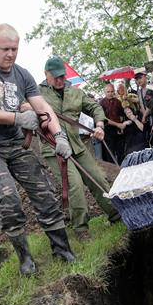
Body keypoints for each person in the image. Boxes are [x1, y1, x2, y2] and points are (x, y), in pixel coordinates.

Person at [0, 24, 75, 275]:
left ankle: (62, 250)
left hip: (15, 143)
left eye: (15, 49)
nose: (11, 54)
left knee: (44, 193)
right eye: (5, 49)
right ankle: (25, 259)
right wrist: (17, 118)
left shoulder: (22, 74)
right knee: (8, 200)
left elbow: (43, 106)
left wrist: (59, 136)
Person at [38, 56, 122, 241]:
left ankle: (117, 215)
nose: (60, 80)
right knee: (74, 185)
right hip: (54, 148)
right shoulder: (37, 93)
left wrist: (99, 125)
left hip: (77, 145)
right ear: (46, 74)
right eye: (56, 77)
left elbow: (94, 108)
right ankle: (81, 229)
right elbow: (25, 109)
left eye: (62, 76)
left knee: (98, 178)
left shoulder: (74, 92)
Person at [99, 83, 127, 163]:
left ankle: (123, 169)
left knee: (121, 152)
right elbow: (104, 119)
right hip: (108, 131)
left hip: (118, 131)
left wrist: (120, 125)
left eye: (112, 91)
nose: (110, 93)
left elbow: (121, 115)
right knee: (110, 153)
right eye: (108, 92)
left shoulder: (118, 102)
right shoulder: (101, 103)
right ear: (104, 92)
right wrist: (118, 124)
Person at [117, 83, 147, 155]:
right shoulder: (117, 100)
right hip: (127, 125)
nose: (121, 90)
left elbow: (139, 100)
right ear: (117, 91)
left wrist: (128, 98)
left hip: (137, 120)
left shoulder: (131, 95)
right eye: (119, 89)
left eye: (123, 88)